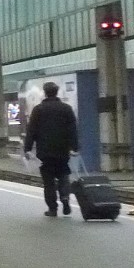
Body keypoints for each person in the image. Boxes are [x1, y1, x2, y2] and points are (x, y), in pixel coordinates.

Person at [23, 81, 80, 217]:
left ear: (44, 92)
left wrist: (28, 149)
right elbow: (72, 130)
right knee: (63, 175)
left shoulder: (38, 109)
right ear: (57, 92)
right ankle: (65, 198)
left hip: (45, 151)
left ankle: (52, 208)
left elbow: (31, 130)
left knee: (48, 182)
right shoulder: (66, 108)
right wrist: (74, 147)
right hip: (62, 150)